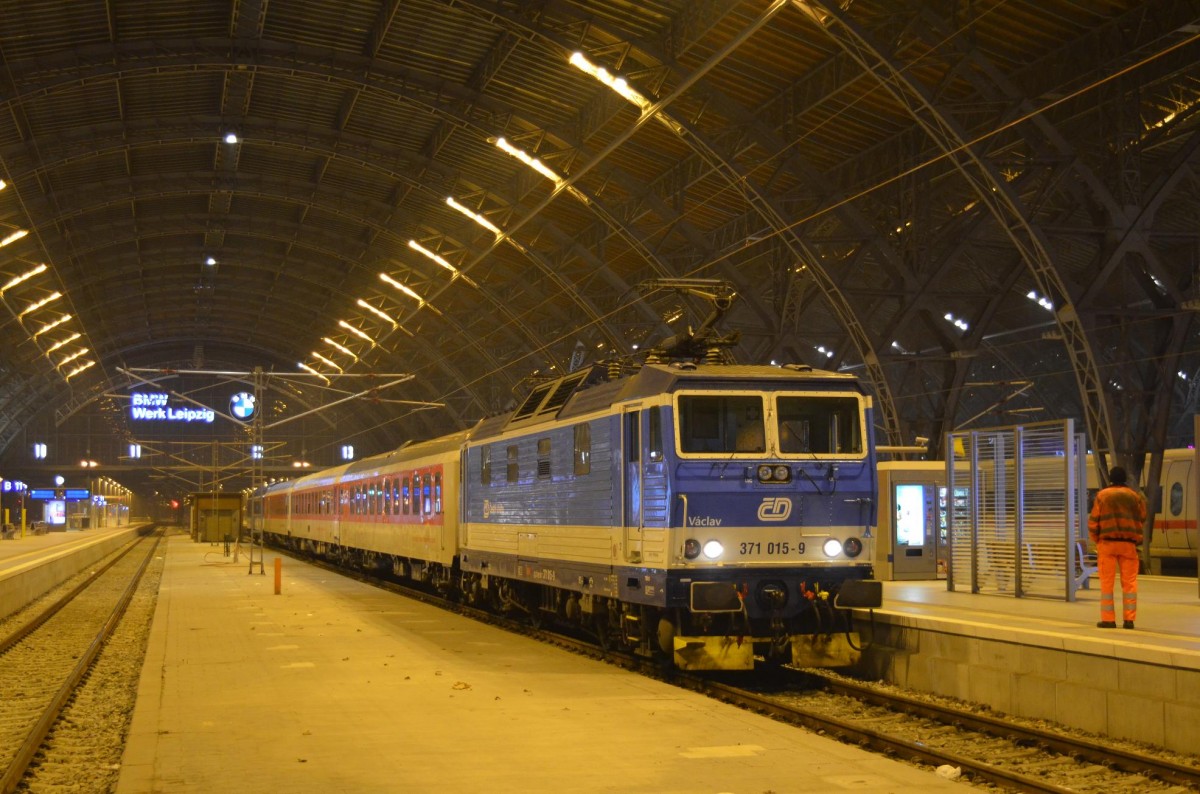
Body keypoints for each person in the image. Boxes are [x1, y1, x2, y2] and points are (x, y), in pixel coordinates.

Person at [1087, 466, 1147, 629]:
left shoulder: (1102, 496)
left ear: (1111, 479)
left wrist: (1097, 540)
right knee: (1130, 583)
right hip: (1128, 545)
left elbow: (1093, 522)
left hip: (1107, 544)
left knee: (1107, 583)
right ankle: (1129, 620)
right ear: (1125, 479)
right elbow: (1142, 516)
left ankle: (1108, 620)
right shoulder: (1134, 497)